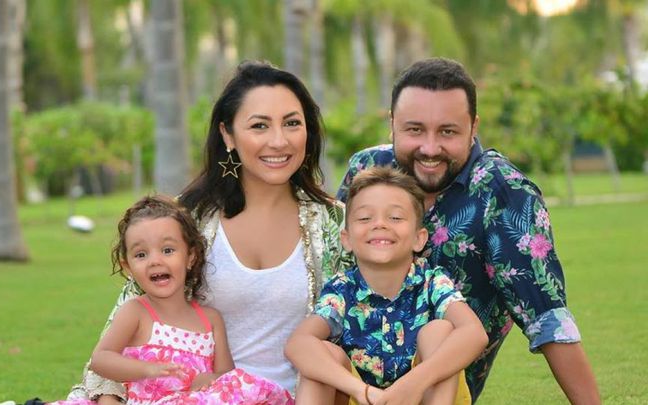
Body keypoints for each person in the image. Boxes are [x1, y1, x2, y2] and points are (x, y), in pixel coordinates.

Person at [68, 61, 351, 403]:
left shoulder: (336, 223)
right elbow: (120, 332)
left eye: (292, 123)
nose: (279, 141)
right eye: (259, 126)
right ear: (227, 135)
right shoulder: (185, 218)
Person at [336, 58, 600, 404]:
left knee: (438, 333)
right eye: (414, 130)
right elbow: (333, 271)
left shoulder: (503, 193)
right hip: (350, 384)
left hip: (437, 388)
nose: (430, 148)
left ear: (473, 127)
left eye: (448, 132)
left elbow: (546, 316)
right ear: (392, 124)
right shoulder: (367, 169)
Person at [51, 195, 293, 405]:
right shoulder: (136, 311)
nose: (155, 261)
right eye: (141, 254)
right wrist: (146, 369)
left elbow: (227, 376)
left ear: (190, 257)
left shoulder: (210, 319)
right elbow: (101, 359)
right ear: (128, 267)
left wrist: (208, 379)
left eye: (167, 250)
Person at [286, 167, 487, 405]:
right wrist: (363, 391)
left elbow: (474, 333)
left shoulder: (432, 282)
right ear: (347, 239)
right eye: (365, 218)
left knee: (439, 331)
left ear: (419, 238)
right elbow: (298, 344)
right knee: (324, 353)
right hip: (362, 398)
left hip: (421, 396)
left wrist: (413, 384)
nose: (380, 224)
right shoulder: (341, 289)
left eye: (395, 217)